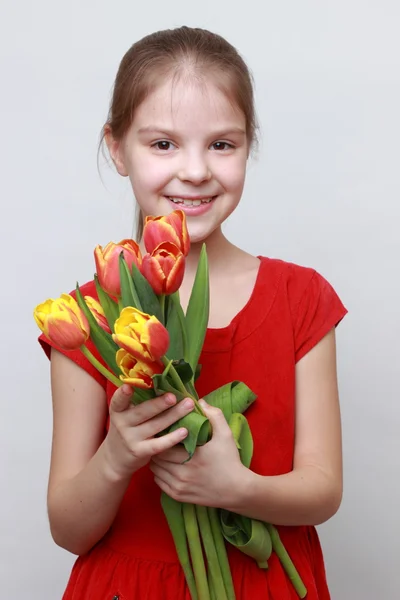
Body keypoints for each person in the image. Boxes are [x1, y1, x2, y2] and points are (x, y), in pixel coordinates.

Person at [38, 25, 347, 600]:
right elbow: (68, 529)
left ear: (248, 145)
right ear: (116, 148)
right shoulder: (84, 319)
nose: (196, 170)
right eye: (163, 144)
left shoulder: (301, 298)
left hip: (266, 583)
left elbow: (323, 490)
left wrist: (236, 487)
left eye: (222, 145)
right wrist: (116, 456)